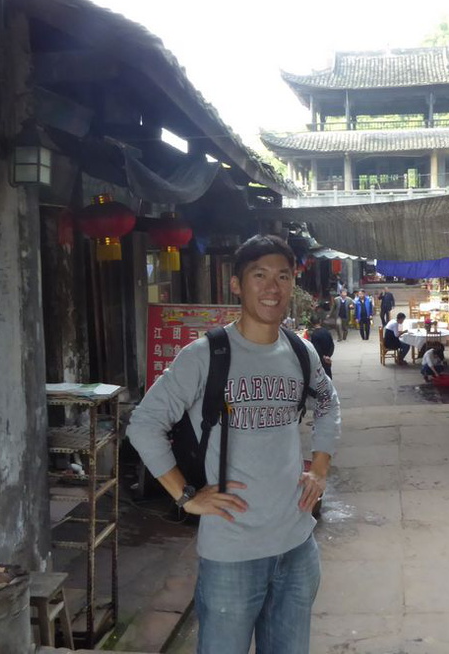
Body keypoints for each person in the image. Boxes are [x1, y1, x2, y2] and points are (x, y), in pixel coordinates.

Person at [127, 234, 341, 654]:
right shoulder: (204, 356)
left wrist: (319, 467)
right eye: (259, 275)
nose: (272, 287)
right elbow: (144, 423)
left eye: (282, 276)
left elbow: (329, 404)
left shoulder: (301, 351)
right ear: (237, 285)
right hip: (231, 555)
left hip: (297, 547)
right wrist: (185, 495)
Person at [308, 314, 335, 379]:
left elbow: (317, 349)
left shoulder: (314, 335)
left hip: (321, 360)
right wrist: (328, 356)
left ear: (311, 323)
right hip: (327, 359)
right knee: (328, 377)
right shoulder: (326, 332)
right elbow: (332, 345)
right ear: (320, 321)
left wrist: (323, 357)